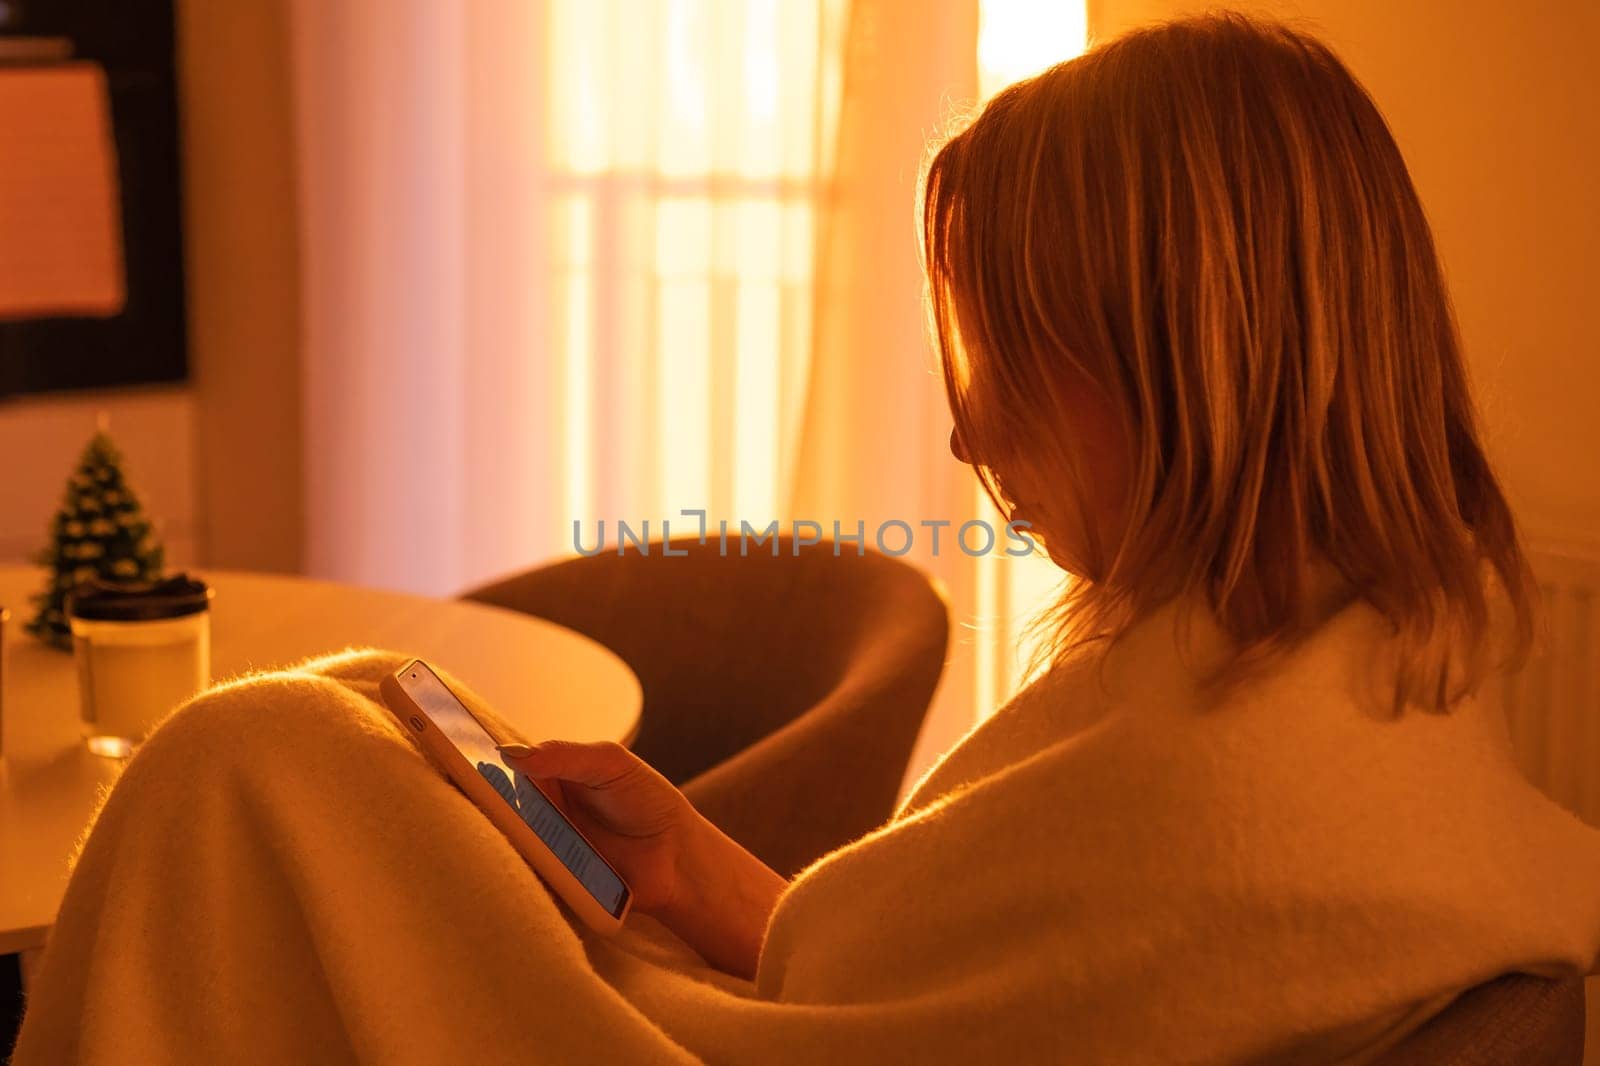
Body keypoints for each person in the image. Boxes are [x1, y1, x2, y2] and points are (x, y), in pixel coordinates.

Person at [15, 12, 1600, 1065]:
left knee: (252, 768)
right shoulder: (1356, 665)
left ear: (1180, 359)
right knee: (365, 726)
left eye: (1015, 366)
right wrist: (701, 876)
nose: (973, 438)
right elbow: (998, 999)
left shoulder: (1240, 781)